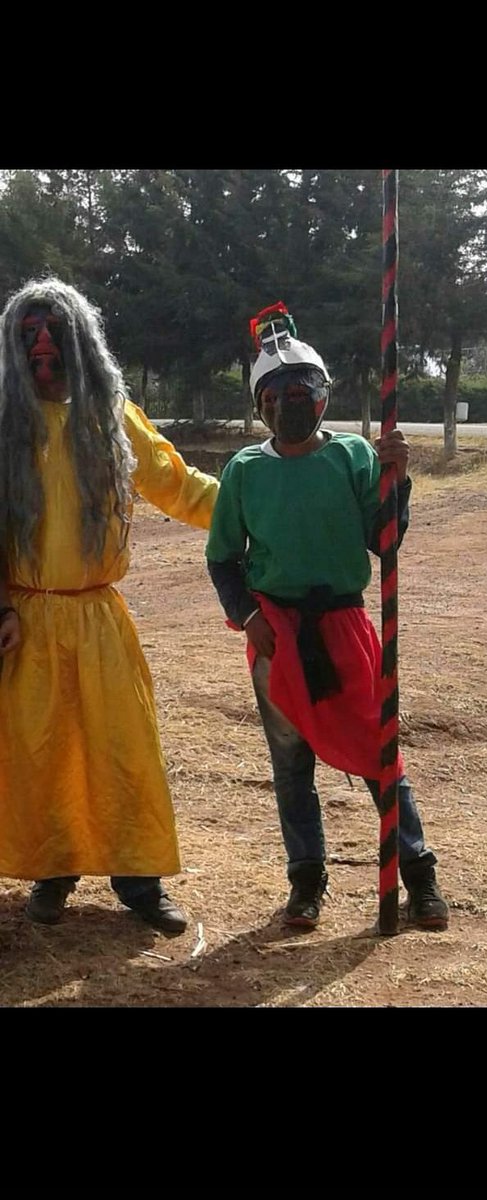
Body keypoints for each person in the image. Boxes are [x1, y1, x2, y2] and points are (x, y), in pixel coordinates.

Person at [206, 303, 449, 931]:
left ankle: (417, 874)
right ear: (260, 404)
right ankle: (306, 884)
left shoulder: (352, 458)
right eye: (276, 393)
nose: (290, 401)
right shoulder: (244, 471)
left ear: (321, 395)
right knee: (291, 767)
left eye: (301, 390)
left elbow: (385, 541)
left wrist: (397, 480)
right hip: (276, 635)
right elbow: (224, 560)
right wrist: (248, 618)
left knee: (378, 752)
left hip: (344, 629)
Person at [0, 277, 219, 932]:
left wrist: (262, 501)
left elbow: (181, 486)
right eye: (28, 337)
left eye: (53, 335)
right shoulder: (5, 426)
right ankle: (52, 872)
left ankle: (139, 882)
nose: (42, 347)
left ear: (81, 343)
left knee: (124, 750)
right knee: (43, 754)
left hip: (97, 619)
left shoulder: (112, 418)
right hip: (26, 619)